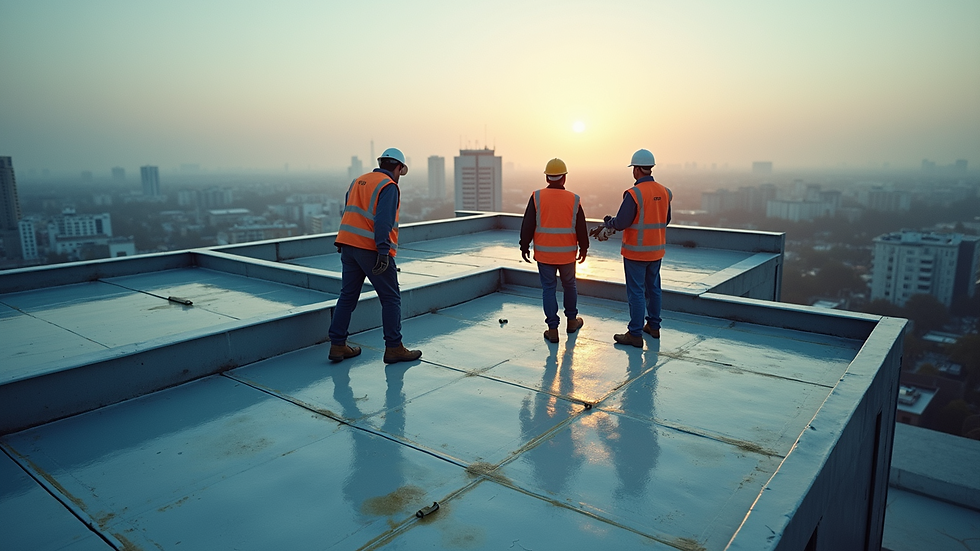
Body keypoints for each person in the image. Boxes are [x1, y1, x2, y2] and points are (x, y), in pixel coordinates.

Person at [328, 147, 422, 364]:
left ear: (381, 163)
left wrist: (345, 241)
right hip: (371, 249)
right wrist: (382, 252)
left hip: (347, 245)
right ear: (398, 167)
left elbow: (348, 212)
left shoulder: (358, 181)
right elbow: (383, 221)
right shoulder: (388, 186)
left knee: (348, 296)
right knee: (390, 298)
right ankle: (394, 348)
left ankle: (337, 345)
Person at [598, 148, 671, 348]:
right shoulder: (665, 192)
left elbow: (621, 222)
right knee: (654, 289)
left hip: (636, 252)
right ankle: (653, 327)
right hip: (656, 250)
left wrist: (608, 222)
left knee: (636, 292)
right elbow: (667, 219)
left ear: (637, 169)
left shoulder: (634, 193)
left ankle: (635, 333)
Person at [519, 158, 589, 343]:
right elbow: (581, 227)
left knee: (548, 289)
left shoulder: (537, 197)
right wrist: (584, 248)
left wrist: (524, 245)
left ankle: (553, 330)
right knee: (569, 286)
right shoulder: (574, 199)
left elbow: (527, 225)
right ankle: (572, 321)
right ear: (564, 178)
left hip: (545, 254)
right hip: (567, 254)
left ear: (547, 178)